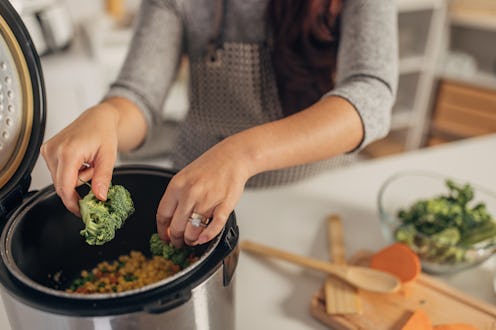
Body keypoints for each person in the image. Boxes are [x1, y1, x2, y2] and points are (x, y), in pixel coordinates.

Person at [41, 0, 398, 248]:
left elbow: (371, 93)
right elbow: (139, 95)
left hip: (310, 194)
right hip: (195, 198)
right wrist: (109, 116)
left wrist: (241, 155)